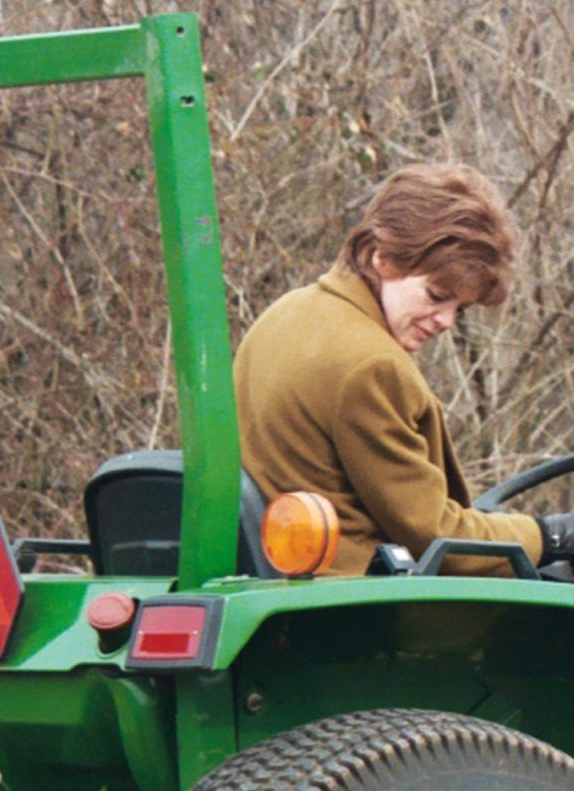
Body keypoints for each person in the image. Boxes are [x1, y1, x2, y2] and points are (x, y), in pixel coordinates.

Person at [234, 162, 574, 576]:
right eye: (436, 295)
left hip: (283, 575)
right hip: (359, 596)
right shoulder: (371, 365)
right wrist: (553, 535)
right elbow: (435, 534)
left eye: (458, 308)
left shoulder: (286, 313)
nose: (446, 321)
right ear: (384, 258)